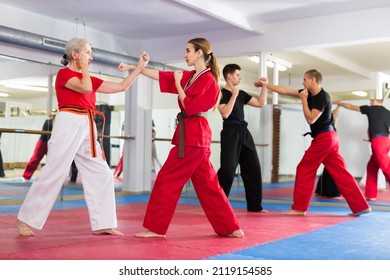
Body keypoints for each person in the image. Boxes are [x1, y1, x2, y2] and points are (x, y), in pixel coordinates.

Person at [16, 37, 149, 236]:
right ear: (74, 54)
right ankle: (24, 219)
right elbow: (85, 87)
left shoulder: (91, 79)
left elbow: (122, 86)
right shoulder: (63, 74)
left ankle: (103, 223)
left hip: (88, 125)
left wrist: (139, 67)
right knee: (55, 170)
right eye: (87, 52)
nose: (90, 57)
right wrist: (84, 68)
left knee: (102, 172)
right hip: (68, 121)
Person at [118, 37, 244, 238]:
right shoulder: (193, 76)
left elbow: (191, 106)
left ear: (199, 53)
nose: (185, 55)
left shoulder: (209, 80)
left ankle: (156, 228)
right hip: (192, 134)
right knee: (208, 184)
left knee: (167, 178)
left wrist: (178, 85)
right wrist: (135, 67)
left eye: (188, 50)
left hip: (194, 135)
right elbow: (161, 75)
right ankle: (230, 227)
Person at [255, 69, 371, 216]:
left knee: (304, 168)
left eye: (305, 79)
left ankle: (299, 208)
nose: (303, 82)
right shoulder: (308, 92)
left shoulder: (322, 97)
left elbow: (310, 119)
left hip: (325, 138)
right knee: (341, 172)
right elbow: (285, 90)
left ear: (313, 80)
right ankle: (361, 206)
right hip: (329, 138)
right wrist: (266, 85)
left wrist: (303, 100)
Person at [217, 63, 267, 212]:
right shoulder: (220, 94)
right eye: (237, 75)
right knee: (227, 170)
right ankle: (217, 203)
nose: (240, 77)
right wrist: (233, 95)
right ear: (229, 76)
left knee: (254, 168)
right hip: (230, 132)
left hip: (244, 131)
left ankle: (255, 206)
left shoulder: (242, 93)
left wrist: (264, 87)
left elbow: (260, 103)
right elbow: (225, 113)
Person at [334, 98, 390, 200]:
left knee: (386, 167)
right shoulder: (388, 112)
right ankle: (370, 194)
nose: (370, 101)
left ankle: (371, 194)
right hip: (385, 141)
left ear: (376, 101)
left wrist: (340, 103)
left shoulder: (370, 109)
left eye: (372, 100)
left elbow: (351, 106)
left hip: (378, 142)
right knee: (372, 167)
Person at [314, 104, 341, 198]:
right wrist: (339, 106)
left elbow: (335, 116)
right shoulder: (324, 122)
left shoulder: (331, 123)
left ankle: (323, 191)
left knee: (328, 168)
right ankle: (332, 193)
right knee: (332, 168)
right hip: (327, 144)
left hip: (330, 144)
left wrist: (339, 106)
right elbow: (335, 115)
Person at [22, 114, 55, 181]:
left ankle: (51, 178)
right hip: (43, 143)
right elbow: (45, 133)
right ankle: (26, 176)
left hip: (52, 144)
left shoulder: (59, 124)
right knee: (35, 159)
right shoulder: (48, 122)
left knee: (53, 161)